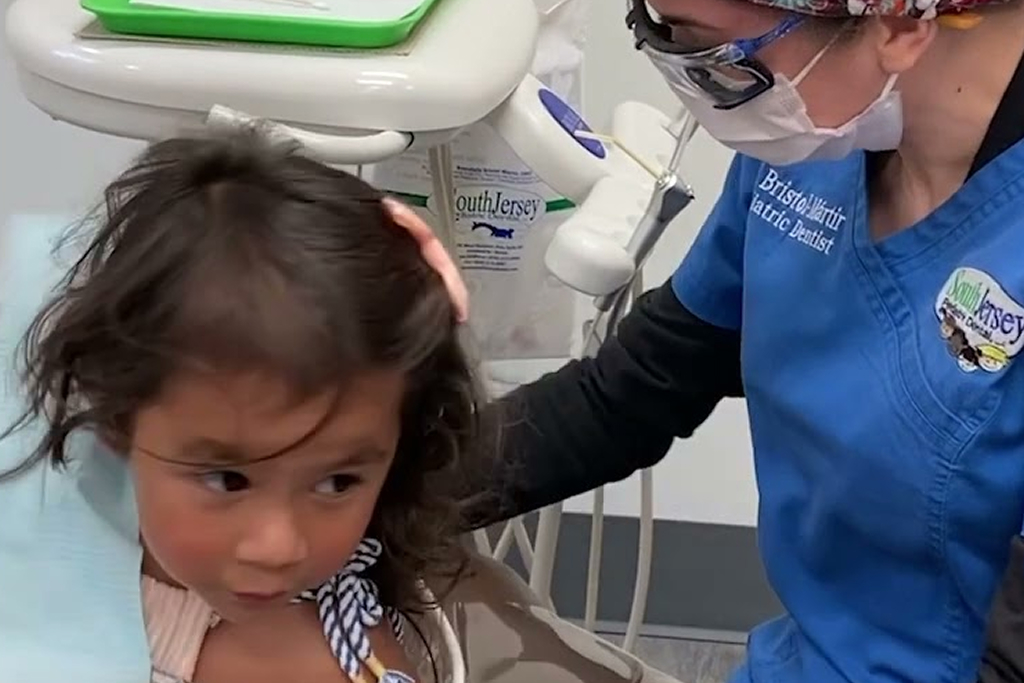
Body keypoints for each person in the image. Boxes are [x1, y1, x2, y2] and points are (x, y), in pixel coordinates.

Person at [464, 0, 1024, 681]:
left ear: (900, 25)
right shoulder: (820, 143)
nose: (693, 90)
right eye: (655, 30)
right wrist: (380, 489)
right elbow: (631, 392)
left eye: (713, 60)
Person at [0, 130, 483, 683]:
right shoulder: (49, 509)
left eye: (337, 484)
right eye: (228, 480)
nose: (276, 547)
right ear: (117, 417)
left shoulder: (308, 665)